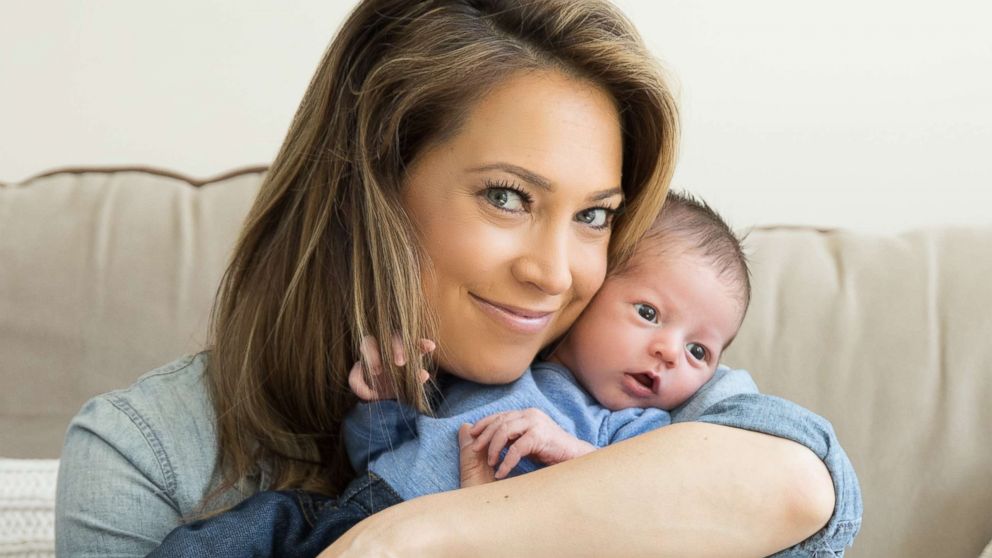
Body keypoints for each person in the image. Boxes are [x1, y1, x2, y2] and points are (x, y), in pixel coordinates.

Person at [55, 1, 862, 557]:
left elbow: (807, 483)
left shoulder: (645, 390)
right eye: (507, 197)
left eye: (594, 215)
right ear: (371, 184)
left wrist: (425, 534)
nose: (555, 274)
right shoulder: (147, 452)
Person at [146, 190, 790, 557]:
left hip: (457, 546)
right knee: (239, 530)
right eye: (649, 313)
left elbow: (640, 512)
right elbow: (377, 452)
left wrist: (571, 453)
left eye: (701, 352)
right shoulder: (498, 362)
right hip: (355, 511)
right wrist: (383, 400)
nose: (670, 353)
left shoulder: (642, 432)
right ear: (588, 289)